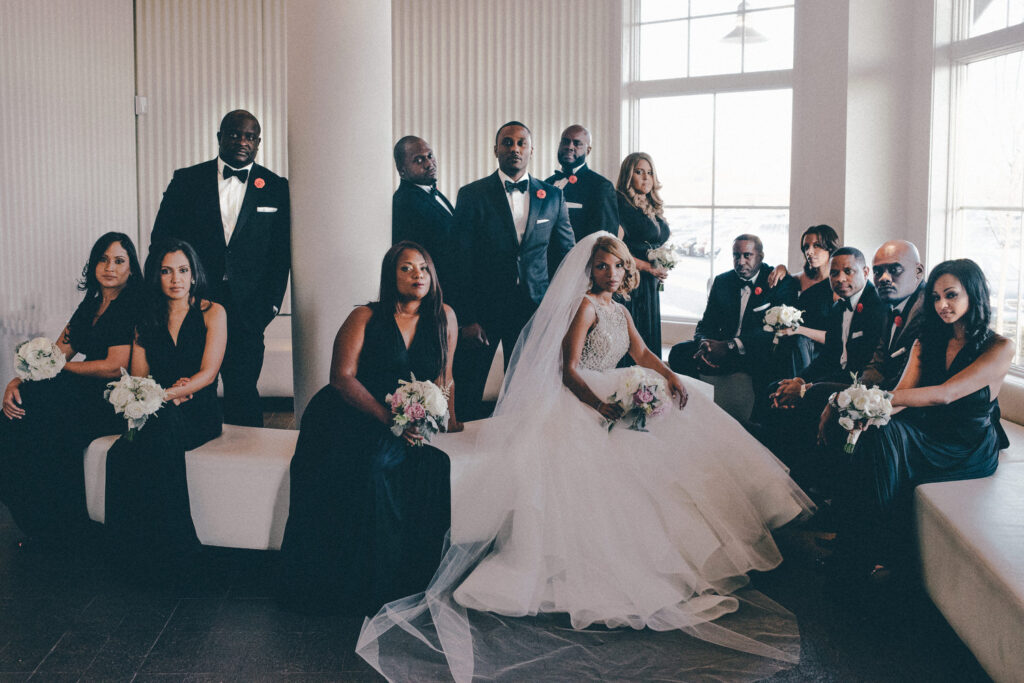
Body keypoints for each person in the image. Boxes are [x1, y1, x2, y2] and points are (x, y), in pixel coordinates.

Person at [357, 233, 814, 683]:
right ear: (589, 271)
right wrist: (598, 407)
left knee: (668, 456)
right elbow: (569, 369)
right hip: (582, 400)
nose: (609, 273)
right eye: (600, 266)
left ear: (625, 269)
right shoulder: (585, 306)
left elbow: (640, 351)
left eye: (616, 265)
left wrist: (671, 376)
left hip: (616, 389)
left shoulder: (620, 308)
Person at [280, 241, 460, 615]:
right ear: (390, 276)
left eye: (424, 268)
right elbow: (341, 378)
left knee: (433, 467)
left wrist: (445, 417)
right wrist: (388, 419)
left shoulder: (444, 316)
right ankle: (371, 583)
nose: (417, 275)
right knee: (376, 465)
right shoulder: (364, 316)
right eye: (407, 268)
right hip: (351, 412)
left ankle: (413, 576)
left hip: (406, 415)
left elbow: (445, 377)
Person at [829, 258, 1012, 583]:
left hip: (966, 447)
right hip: (927, 432)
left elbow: (945, 394)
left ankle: (874, 553)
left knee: (885, 438)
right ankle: (858, 547)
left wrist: (869, 400)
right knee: (874, 434)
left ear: (974, 293)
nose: (942, 304)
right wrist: (869, 414)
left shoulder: (1000, 347)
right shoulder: (925, 340)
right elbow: (903, 393)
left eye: (952, 295)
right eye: (937, 297)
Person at [0, 232, 143, 548]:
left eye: (119, 261)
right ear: (93, 265)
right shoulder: (91, 304)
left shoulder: (131, 304)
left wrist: (57, 370)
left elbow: (113, 366)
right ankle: (33, 513)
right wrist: (18, 380)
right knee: (21, 407)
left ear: (131, 269)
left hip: (111, 399)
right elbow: (54, 354)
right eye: (103, 259)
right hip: (81, 393)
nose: (110, 267)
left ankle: (61, 526)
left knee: (46, 418)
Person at [151, 109, 290, 427]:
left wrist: (269, 305)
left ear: (258, 142)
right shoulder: (186, 180)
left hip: (249, 309)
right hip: (195, 303)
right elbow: (161, 241)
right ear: (219, 137)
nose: (242, 141)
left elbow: (280, 254)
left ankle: (250, 465)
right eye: (234, 134)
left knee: (243, 391)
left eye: (249, 136)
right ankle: (198, 461)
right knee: (195, 387)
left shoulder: (275, 187)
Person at [104, 239, 227, 574]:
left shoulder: (213, 312)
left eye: (184, 270)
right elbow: (140, 376)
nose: (176, 279)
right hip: (159, 407)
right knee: (119, 456)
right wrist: (164, 396)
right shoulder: (146, 318)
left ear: (194, 273)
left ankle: (179, 553)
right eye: (167, 271)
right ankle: (131, 555)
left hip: (200, 411)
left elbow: (208, 372)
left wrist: (172, 395)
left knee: (159, 436)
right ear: (156, 276)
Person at [764, 242, 924, 494]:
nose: (840, 279)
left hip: (870, 386)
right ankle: (784, 477)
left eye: (848, 272)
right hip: (851, 379)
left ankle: (807, 486)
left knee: (815, 395)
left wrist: (807, 388)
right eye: (835, 273)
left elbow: (871, 368)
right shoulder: (840, 308)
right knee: (778, 388)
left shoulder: (880, 305)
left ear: (864, 272)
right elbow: (829, 357)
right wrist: (799, 379)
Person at [450, 121, 575, 420]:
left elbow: (566, 256)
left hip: (533, 309)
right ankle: (459, 450)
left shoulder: (553, 197)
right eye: (507, 142)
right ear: (496, 149)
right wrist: (466, 318)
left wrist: (560, 309)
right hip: (484, 310)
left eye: (521, 143)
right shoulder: (472, 195)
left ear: (531, 150)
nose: (514, 148)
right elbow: (458, 261)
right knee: (469, 386)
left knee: (526, 389)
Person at [668, 234, 798, 396]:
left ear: (760, 256)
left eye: (747, 255)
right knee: (679, 353)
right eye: (736, 255)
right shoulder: (722, 281)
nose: (741, 261)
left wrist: (731, 345)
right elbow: (707, 323)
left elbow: (773, 331)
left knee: (774, 361)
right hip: (722, 349)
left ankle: (758, 419)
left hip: (753, 350)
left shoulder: (778, 281)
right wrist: (704, 343)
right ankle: (694, 402)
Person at [615, 152, 671, 353]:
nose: (646, 177)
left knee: (649, 337)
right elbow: (615, 250)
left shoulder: (653, 205)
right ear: (629, 175)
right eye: (639, 172)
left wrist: (662, 263)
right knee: (633, 342)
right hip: (630, 283)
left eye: (650, 172)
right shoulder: (620, 203)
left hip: (649, 284)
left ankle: (648, 384)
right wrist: (648, 267)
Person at [771, 224, 841, 376]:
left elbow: (836, 338)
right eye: (806, 247)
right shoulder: (800, 279)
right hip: (793, 346)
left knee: (799, 340)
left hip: (820, 350)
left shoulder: (839, 286)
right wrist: (781, 267)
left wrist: (799, 330)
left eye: (817, 246)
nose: (809, 252)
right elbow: (787, 277)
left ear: (830, 248)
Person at [392, 136, 456, 287]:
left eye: (430, 155)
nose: (429, 163)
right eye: (418, 160)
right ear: (402, 170)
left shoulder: (432, 192)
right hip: (436, 288)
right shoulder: (404, 202)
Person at [544, 125, 619, 241]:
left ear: (588, 150)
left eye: (577, 143)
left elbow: (606, 241)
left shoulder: (601, 186)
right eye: (565, 141)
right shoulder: (546, 184)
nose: (569, 147)